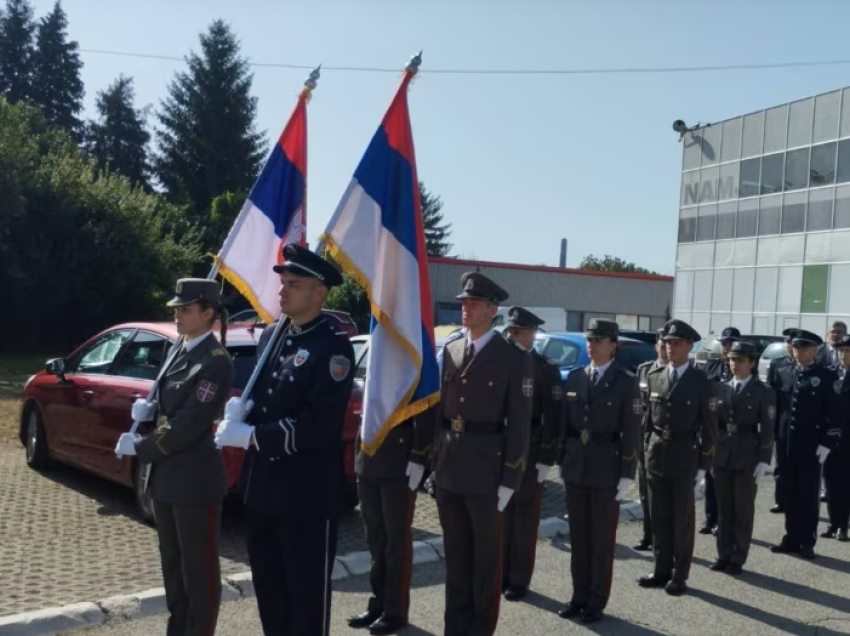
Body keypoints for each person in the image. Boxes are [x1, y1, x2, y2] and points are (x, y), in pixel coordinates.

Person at [214, 244, 355, 636]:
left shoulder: (333, 345)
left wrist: (255, 436)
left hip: (306, 496)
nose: (283, 290)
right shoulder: (273, 335)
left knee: (305, 599)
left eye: (294, 284)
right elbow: (266, 395)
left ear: (319, 293)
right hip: (262, 491)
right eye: (283, 282)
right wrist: (240, 409)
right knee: (270, 592)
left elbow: (318, 424)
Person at [115, 278, 234, 636]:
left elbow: (190, 423)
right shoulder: (179, 349)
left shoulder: (215, 361)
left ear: (208, 313)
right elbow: (171, 408)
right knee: (173, 563)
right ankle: (178, 628)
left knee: (199, 570)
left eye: (186, 309)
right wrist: (149, 411)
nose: (177, 315)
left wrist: (142, 448)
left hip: (194, 478)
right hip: (167, 476)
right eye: (176, 309)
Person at [433, 272, 532, 636]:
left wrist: (511, 478)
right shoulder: (452, 348)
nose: (466, 308)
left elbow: (519, 425)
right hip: (450, 468)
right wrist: (433, 463)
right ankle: (454, 628)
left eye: (473, 303)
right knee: (456, 558)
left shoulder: (512, 358)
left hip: (487, 472)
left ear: (492, 310)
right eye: (463, 302)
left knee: (485, 563)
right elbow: (440, 413)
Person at [558, 319, 641, 623]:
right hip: (577, 468)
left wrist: (626, 474)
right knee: (579, 539)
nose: (591, 346)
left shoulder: (625, 381)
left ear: (613, 345)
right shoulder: (577, 377)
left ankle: (596, 601)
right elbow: (566, 425)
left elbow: (632, 431)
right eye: (589, 340)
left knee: (601, 541)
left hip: (607, 470)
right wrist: (562, 459)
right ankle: (578, 597)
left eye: (598, 341)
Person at [638, 319, 717, 597]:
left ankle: (679, 574)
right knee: (658, 516)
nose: (670, 347)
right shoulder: (655, 375)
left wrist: (703, 465)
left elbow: (709, 427)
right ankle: (661, 570)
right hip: (657, 452)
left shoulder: (701, 382)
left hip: (685, 454)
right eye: (668, 342)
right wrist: (644, 447)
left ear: (689, 346)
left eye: (677, 343)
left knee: (681, 519)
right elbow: (648, 419)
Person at [346, 407, 436, 633]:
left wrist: (418, 454)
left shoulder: (415, 368)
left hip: (399, 458)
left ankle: (395, 611)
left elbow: (428, 406)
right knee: (375, 537)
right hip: (368, 454)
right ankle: (379, 603)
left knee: (396, 541)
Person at [501, 306, 564, 602]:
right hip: (499, 450)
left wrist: (546, 458)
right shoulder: (497, 362)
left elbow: (554, 416)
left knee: (524, 519)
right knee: (501, 516)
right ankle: (499, 572)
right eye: (511, 331)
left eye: (519, 332)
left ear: (532, 335)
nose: (513, 336)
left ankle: (518, 578)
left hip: (530, 449)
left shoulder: (545, 367)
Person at [770, 329, 840, 559]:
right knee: (789, 492)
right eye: (796, 347)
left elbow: (834, 413)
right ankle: (791, 538)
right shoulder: (783, 371)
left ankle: (807, 541)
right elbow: (776, 408)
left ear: (815, 350)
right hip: (786, 443)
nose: (799, 351)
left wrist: (828, 442)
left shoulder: (827, 376)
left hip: (811, 445)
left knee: (808, 495)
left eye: (804, 347)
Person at [709, 341, 775, 575]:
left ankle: (738, 556)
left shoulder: (763, 391)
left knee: (743, 510)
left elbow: (768, 428)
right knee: (724, 508)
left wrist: (764, 459)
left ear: (751, 363)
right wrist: (709, 454)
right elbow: (714, 424)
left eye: (740, 360)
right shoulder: (720, 388)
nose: (735, 364)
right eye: (732, 360)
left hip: (747, 452)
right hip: (723, 453)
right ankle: (723, 554)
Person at [701, 326, 742, 535]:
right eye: (725, 343)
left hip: (734, 433)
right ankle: (711, 519)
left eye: (731, 343)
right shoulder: (712, 367)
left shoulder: (744, 369)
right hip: (714, 430)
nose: (727, 347)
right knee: (711, 477)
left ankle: (727, 522)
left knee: (729, 482)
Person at [633, 328, 668, 552]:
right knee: (644, 492)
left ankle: (662, 539)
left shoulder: (675, 374)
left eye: (668, 344)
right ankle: (648, 535)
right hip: (642, 438)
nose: (665, 348)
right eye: (661, 344)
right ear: (656, 346)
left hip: (663, 441)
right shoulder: (644, 370)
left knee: (662, 495)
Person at [821, 334, 850, 541]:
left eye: (848, 351)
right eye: (841, 351)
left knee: (846, 484)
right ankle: (832, 523)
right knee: (830, 482)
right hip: (830, 438)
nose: (843, 355)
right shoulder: (830, 374)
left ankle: (844, 526)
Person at [767, 328, 796, 514]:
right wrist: (771, 425)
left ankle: (796, 500)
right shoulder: (777, 365)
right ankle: (781, 500)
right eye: (788, 343)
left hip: (802, 427)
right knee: (781, 465)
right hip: (782, 424)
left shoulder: (809, 367)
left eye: (793, 344)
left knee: (799, 467)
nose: (790, 347)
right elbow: (770, 398)